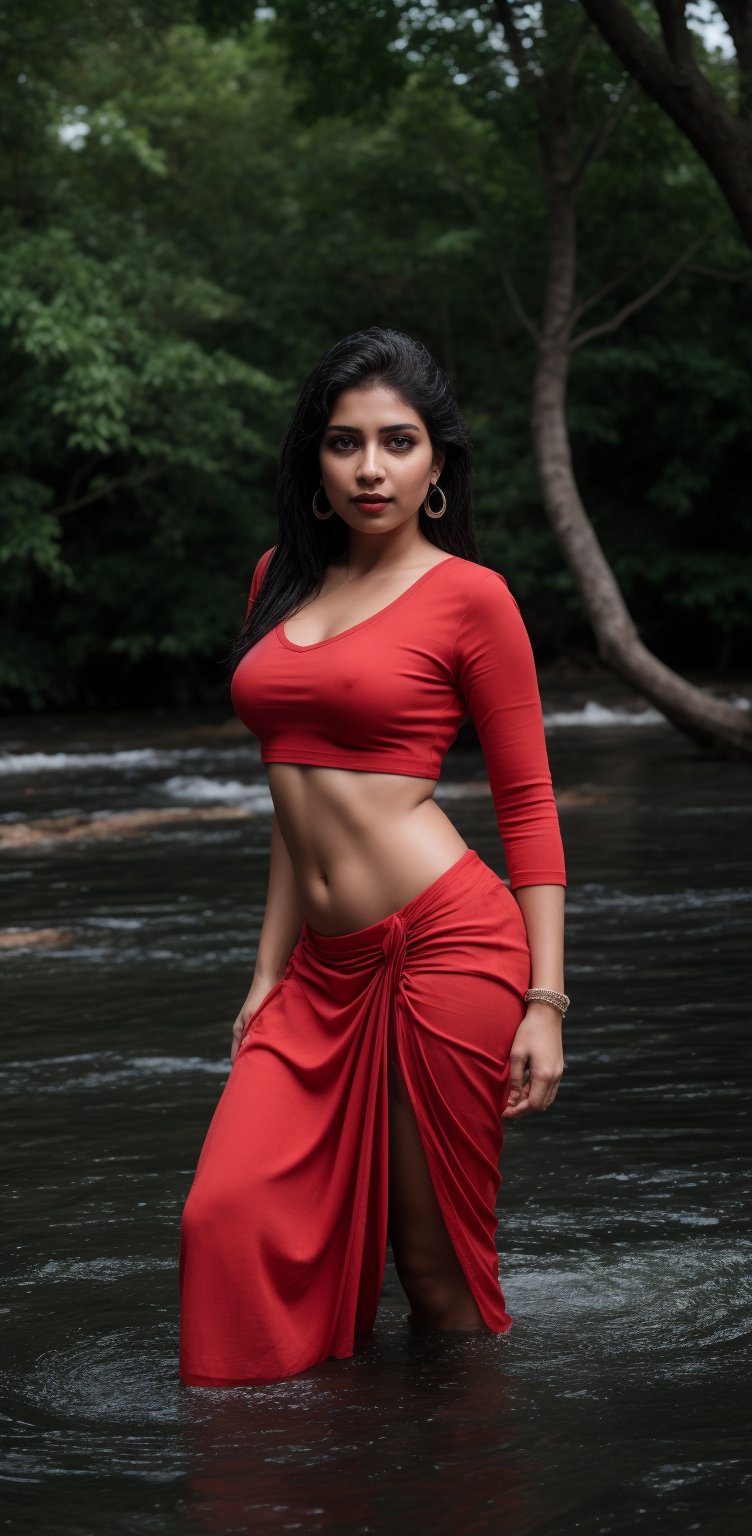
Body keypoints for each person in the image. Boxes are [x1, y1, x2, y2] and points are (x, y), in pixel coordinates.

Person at [178, 325, 568, 1387]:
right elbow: (288, 802)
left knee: (432, 1268)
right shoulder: (280, 580)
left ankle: (459, 1478)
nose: (368, 468)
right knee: (222, 1214)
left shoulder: (470, 597)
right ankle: (278, 1477)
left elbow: (527, 805)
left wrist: (544, 999)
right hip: (318, 969)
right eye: (344, 443)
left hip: (444, 951)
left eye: (396, 442)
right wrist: (265, 972)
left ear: (435, 461)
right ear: (315, 458)